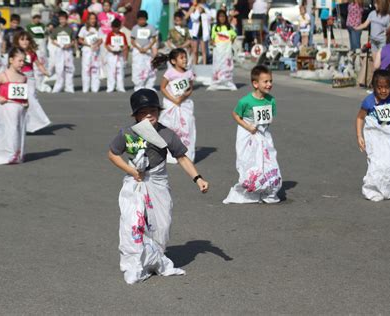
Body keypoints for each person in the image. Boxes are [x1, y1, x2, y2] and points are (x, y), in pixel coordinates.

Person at [107, 88, 209, 284]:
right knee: (134, 223)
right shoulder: (128, 133)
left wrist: (198, 178)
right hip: (135, 183)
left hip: (158, 182)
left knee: (161, 225)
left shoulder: (166, 134)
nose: (149, 115)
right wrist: (131, 172)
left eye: (153, 110)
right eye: (143, 111)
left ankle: (154, 260)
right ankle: (134, 262)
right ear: (135, 114)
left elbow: (181, 157)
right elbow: (112, 153)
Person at [223, 65, 282, 204]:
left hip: (263, 135)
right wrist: (248, 127)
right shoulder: (245, 101)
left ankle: (268, 190)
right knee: (250, 163)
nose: (269, 84)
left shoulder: (271, 100)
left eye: (270, 81)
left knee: (268, 162)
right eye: (265, 81)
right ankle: (250, 189)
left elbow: (269, 118)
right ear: (255, 83)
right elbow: (236, 114)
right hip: (247, 133)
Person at [355, 66, 390, 202]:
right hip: (375, 137)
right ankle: (373, 189)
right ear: (374, 87)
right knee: (377, 164)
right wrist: (359, 136)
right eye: (379, 87)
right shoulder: (369, 101)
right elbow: (360, 118)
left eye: (386, 87)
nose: (383, 91)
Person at [152, 49, 196, 163]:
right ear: (173, 61)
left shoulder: (189, 73)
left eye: (185, 57)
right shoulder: (169, 73)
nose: (185, 59)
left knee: (187, 126)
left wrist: (183, 97)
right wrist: (174, 99)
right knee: (171, 126)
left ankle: (187, 153)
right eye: (181, 58)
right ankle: (169, 153)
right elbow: (162, 87)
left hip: (184, 104)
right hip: (171, 103)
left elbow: (190, 88)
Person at [0, 48, 28, 165]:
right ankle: (9, 153)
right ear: (11, 60)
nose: (22, 63)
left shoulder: (23, 77)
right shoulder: (3, 75)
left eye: (23, 61)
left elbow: (23, 93)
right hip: (6, 107)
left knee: (18, 130)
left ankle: (17, 152)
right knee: (10, 130)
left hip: (19, 108)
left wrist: (26, 102)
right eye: (19, 61)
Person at [13, 31, 51, 133]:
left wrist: (44, 71)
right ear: (17, 41)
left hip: (30, 78)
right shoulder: (15, 53)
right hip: (17, 78)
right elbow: (10, 65)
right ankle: (19, 125)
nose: (25, 42)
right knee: (19, 102)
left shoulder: (32, 53)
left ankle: (37, 123)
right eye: (22, 39)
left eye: (27, 39)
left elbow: (38, 64)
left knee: (32, 98)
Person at [207, 10, 237, 91]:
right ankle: (216, 82)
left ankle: (228, 82)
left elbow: (234, 36)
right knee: (217, 66)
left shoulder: (229, 27)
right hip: (218, 51)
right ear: (217, 18)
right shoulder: (215, 27)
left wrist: (230, 42)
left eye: (223, 16)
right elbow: (212, 38)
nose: (222, 18)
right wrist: (212, 43)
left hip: (226, 51)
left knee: (227, 66)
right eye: (220, 16)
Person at [131, 10, 158, 91]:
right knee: (137, 68)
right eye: (140, 19)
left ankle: (149, 85)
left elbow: (154, 39)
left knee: (149, 68)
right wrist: (139, 48)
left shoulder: (151, 27)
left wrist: (148, 47)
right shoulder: (135, 28)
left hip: (147, 50)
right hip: (138, 50)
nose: (142, 21)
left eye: (143, 19)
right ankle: (138, 85)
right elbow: (132, 40)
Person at [51, 11, 76, 93]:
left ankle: (69, 86)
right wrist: (59, 44)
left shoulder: (70, 29)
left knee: (69, 68)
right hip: (59, 50)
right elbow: (52, 40)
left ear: (66, 19)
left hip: (68, 50)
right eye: (60, 19)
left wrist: (69, 45)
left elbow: (73, 40)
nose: (62, 21)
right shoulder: (56, 29)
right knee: (59, 69)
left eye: (64, 19)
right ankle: (58, 86)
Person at [78, 12, 103, 93]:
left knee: (95, 69)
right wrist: (88, 44)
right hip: (87, 51)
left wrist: (96, 45)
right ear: (88, 20)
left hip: (95, 51)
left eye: (94, 19)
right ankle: (85, 87)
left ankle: (95, 87)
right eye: (91, 19)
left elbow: (100, 39)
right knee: (86, 69)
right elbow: (80, 39)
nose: (93, 20)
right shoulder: (84, 28)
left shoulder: (98, 29)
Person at [26, 13, 51, 93]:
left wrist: (48, 30)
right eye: (35, 18)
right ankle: (35, 83)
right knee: (34, 65)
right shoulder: (28, 26)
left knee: (43, 63)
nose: (37, 19)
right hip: (34, 46)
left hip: (42, 47)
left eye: (38, 18)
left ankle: (42, 82)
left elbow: (47, 34)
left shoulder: (42, 26)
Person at [105, 18, 128, 93]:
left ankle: (120, 87)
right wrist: (111, 49)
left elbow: (125, 45)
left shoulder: (122, 35)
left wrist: (124, 55)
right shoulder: (110, 34)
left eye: (117, 27)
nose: (115, 29)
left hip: (120, 55)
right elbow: (106, 44)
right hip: (111, 55)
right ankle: (110, 87)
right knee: (111, 71)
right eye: (114, 27)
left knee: (120, 71)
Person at [185, 0, 212, 64]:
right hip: (195, 31)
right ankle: (195, 65)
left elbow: (210, 17)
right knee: (195, 51)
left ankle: (204, 65)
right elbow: (191, 18)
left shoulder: (204, 7)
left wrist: (203, 11)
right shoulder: (193, 8)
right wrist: (195, 11)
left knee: (203, 50)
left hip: (202, 31)